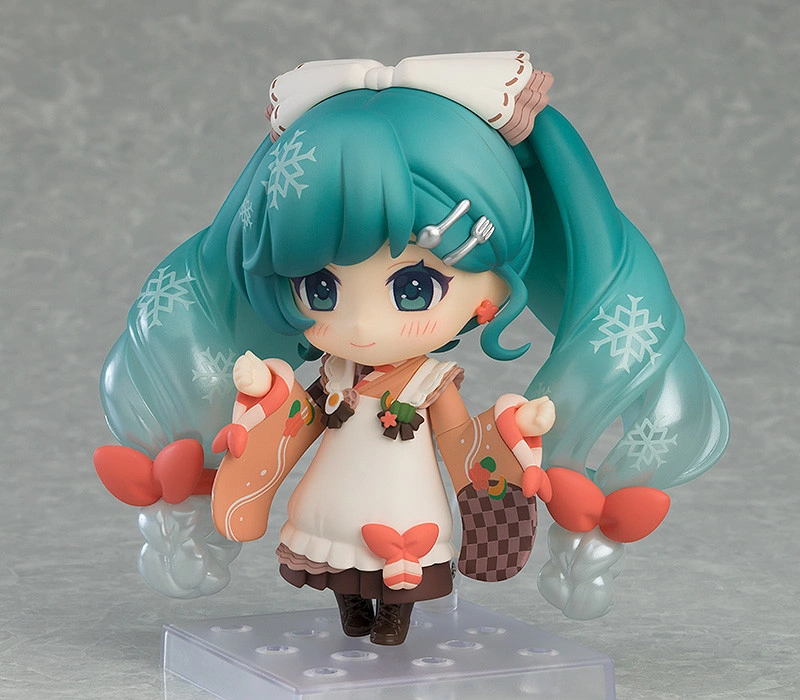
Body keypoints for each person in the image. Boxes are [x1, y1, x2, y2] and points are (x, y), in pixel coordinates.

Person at [95, 52, 729, 643]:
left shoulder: (431, 384)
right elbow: (299, 424)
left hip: (404, 509)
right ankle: (351, 610)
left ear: (492, 291)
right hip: (331, 502)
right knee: (334, 559)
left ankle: (395, 617)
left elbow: (459, 443)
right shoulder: (335, 374)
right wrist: (267, 403)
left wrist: (511, 434)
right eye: (320, 288)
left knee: (400, 563)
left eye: (413, 289)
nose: (362, 325)